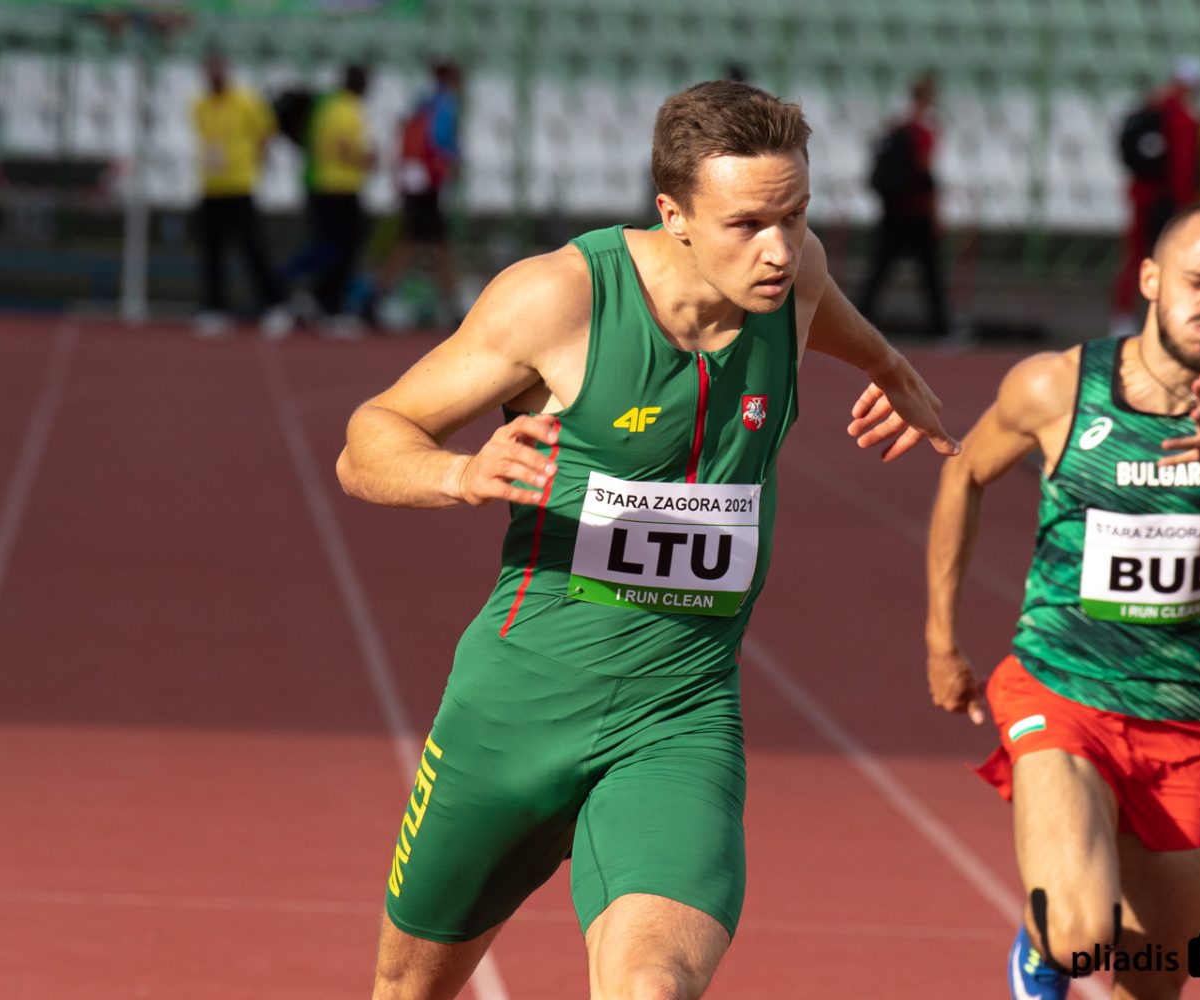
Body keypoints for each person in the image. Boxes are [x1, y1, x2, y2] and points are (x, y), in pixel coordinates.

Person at [337, 80, 960, 999]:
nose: (780, 248)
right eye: (748, 223)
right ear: (673, 214)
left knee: (653, 986)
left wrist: (889, 365)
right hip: (516, 709)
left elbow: (821, 307)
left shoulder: (794, 277)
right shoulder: (558, 301)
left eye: (797, 214)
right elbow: (368, 440)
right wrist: (458, 474)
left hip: (679, 714)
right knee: (407, 990)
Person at [925, 201, 1200, 1000]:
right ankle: (1044, 946)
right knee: (1080, 937)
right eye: (1198, 280)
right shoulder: (1057, 386)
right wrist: (942, 641)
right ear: (1150, 280)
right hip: (1061, 689)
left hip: (1186, 713)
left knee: (1151, 982)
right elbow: (964, 472)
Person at [190, 50, 291, 338]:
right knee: (211, 250)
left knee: (252, 247)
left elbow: (267, 131)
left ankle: (275, 304)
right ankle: (214, 308)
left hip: (239, 185)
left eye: (218, 67)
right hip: (211, 185)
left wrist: (256, 161)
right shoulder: (200, 105)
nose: (215, 73)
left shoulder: (246, 100)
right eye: (210, 68)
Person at [1110, 58, 1200, 339]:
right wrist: (1185, 201)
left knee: (1137, 257)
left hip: (1143, 196)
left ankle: (1124, 316)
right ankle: (1161, 319)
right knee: (1170, 260)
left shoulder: (1153, 109)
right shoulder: (1181, 116)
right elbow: (1184, 165)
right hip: (1167, 200)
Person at [858, 72, 954, 342]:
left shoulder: (898, 125)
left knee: (879, 270)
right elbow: (925, 171)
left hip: (893, 211)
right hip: (917, 212)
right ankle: (941, 329)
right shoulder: (923, 129)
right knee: (932, 274)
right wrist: (935, 212)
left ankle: (860, 322)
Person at [285, 63, 376, 339]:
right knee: (342, 252)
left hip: (319, 185)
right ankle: (329, 307)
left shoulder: (326, 106)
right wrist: (367, 159)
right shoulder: (348, 109)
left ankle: (313, 298)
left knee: (327, 247)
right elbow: (343, 147)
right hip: (340, 188)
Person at [378, 61, 463, 330]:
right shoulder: (444, 103)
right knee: (428, 242)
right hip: (426, 183)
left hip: (415, 181)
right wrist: (452, 162)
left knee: (419, 240)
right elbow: (440, 141)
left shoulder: (423, 102)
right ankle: (451, 302)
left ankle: (382, 293)